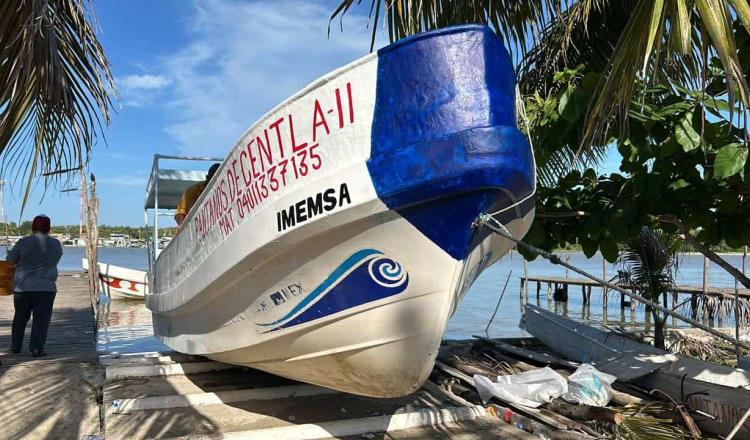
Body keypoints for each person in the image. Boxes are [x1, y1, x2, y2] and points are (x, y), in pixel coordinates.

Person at [7, 215, 63, 357]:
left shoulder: (23, 242)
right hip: (46, 287)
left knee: (20, 317)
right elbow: (55, 259)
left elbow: (10, 261)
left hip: (23, 286)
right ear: (49, 228)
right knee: (41, 319)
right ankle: (37, 348)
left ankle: (15, 346)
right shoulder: (56, 244)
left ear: (32, 227)